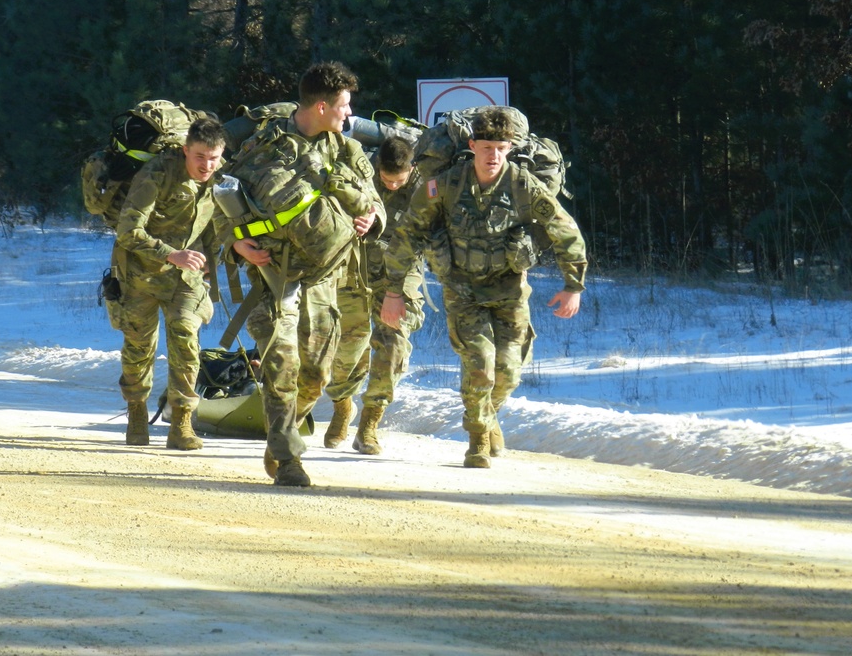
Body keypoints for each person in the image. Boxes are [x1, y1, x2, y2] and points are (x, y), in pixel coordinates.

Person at [381, 109, 587, 468]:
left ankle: (489, 417)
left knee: (509, 373)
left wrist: (574, 285)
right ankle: (477, 438)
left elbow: (564, 230)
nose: (493, 155)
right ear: (473, 145)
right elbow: (408, 234)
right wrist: (395, 291)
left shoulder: (523, 184)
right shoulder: (444, 185)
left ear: (509, 149)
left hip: (509, 289)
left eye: (501, 148)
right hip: (463, 290)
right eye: (487, 147)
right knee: (481, 366)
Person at [226, 61, 384, 487]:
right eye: (344, 106)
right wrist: (235, 243)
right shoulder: (263, 148)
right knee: (281, 367)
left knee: (314, 377)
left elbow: (374, 200)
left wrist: (374, 220)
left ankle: (281, 435)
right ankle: (288, 459)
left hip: (323, 280)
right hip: (273, 279)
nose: (349, 114)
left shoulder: (346, 150)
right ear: (320, 106)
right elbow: (218, 203)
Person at [113, 116, 227, 450]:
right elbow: (128, 231)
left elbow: (213, 224)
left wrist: (211, 261)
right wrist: (169, 254)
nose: (207, 165)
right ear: (185, 151)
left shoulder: (219, 179)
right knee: (138, 349)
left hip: (187, 275)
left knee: (185, 340)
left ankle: (181, 423)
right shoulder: (157, 175)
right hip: (141, 274)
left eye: (214, 158)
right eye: (200, 157)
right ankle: (136, 413)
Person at [317, 135, 426, 454]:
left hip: (401, 270)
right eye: (386, 179)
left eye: (399, 180)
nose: (392, 186)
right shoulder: (359, 175)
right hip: (355, 264)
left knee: (393, 344)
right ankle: (341, 405)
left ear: (412, 168)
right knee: (345, 345)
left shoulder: (425, 189)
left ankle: (369, 425)